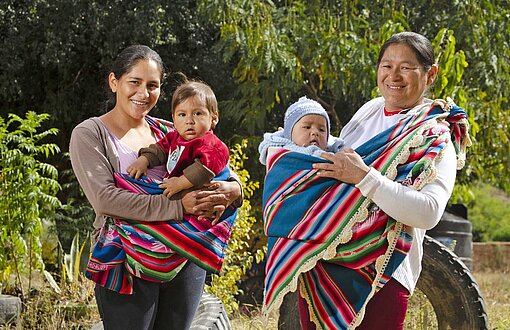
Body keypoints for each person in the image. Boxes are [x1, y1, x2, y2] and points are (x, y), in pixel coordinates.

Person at [261, 32, 470, 330]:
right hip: (324, 264)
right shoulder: (370, 110)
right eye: (387, 66)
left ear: (430, 73)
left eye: (406, 67)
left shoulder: (434, 137)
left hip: (384, 275)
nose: (393, 76)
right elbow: (333, 172)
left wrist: (364, 176)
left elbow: (428, 212)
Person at [69, 45, 242, 330]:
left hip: (184, 255)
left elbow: (217, 166)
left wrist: (235, 190)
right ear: (114, 82)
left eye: (153, 85)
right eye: (134, 82)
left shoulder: (168, 129)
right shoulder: (90, 134)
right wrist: (177, 206)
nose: (143, 93)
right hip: (126, 260)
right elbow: (105, 200)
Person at [127, 79, 229, 204]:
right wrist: (143, 160)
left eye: (197, 113)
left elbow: (203, 169)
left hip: (200, 195)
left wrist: (180, 183)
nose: (189, 120)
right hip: (179, 194)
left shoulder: (210, 144)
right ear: (173, 119)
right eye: (182, 115)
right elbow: (159, 149)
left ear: (213, 118)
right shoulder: (174, 137)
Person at [258, 96, 344, 167]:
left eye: (321, 130)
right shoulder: (285, 152)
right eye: (307, 127)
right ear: (289, 135)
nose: (315, 132)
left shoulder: (337, 154)